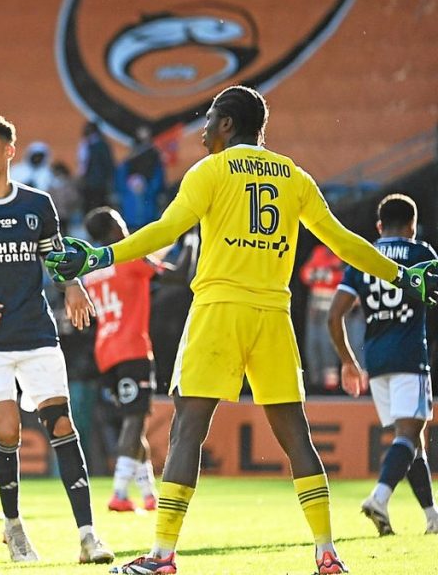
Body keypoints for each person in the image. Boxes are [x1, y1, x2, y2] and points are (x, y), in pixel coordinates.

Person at [44, 85, 438, 575]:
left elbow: (166, 231)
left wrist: (100, 254)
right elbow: (342, 241)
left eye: (209, 119)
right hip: (274, 316)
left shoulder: (210, 171)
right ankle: (327, 553)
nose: (203, 129)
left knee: (188, 428)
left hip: (218, 311)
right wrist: (403, 274)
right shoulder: (293, 176)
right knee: (298, 437)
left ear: (228, 124)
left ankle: (163, 556)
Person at [0, 114, 114, 565]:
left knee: (62, 427)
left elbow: (56, 257)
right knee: (7, 429)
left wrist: (73, 285)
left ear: (9, 151)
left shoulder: (37, 204)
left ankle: (89, 536)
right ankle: (13, 527)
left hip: (36, 333)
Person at [327, 193, 438, 536]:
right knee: (409, 435)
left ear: (379, 226)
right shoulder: (421, 253)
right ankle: (379, 497)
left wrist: (348, 361)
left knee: (410, 442)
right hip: (409, 355)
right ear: (412, 225)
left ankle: (433, 517)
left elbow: (334, 316)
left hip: (375, 361)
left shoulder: (363, 257)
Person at [80, 207, 160, 513]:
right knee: (134, 419)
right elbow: (172, 274)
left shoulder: (93, 270)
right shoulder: (129, 258)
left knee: (134, 423)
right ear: (114, 230)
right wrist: (192, 243)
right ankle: (119, 493)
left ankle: (149, 494)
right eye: (120, 222)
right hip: (132, 348)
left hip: (106, 352)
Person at [299, 244, 345, 391]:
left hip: (330, 310)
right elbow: (305, 274)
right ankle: (314, 381)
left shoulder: (341, 254)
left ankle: (330, 385)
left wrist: (319, 274)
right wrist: (327, 274)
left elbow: (341, 277)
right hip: (314, 310)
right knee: (312, 345)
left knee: (328, 345)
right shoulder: (317, 251)